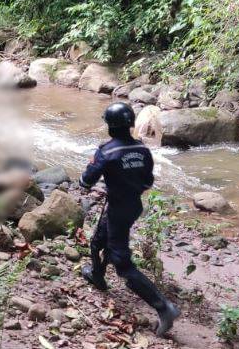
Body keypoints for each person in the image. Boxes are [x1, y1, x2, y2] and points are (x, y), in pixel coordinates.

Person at [79, 102, 181, 336]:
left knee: (122, 263)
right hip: (133, 205)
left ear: (110, 127)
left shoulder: (106, 151)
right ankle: (97, 276)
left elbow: (86, 181)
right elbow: (147, 182)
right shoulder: (143, 149)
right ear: (131, 124)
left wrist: (104, 182)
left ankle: (164, 308)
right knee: (98, 240)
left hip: (118, 208)